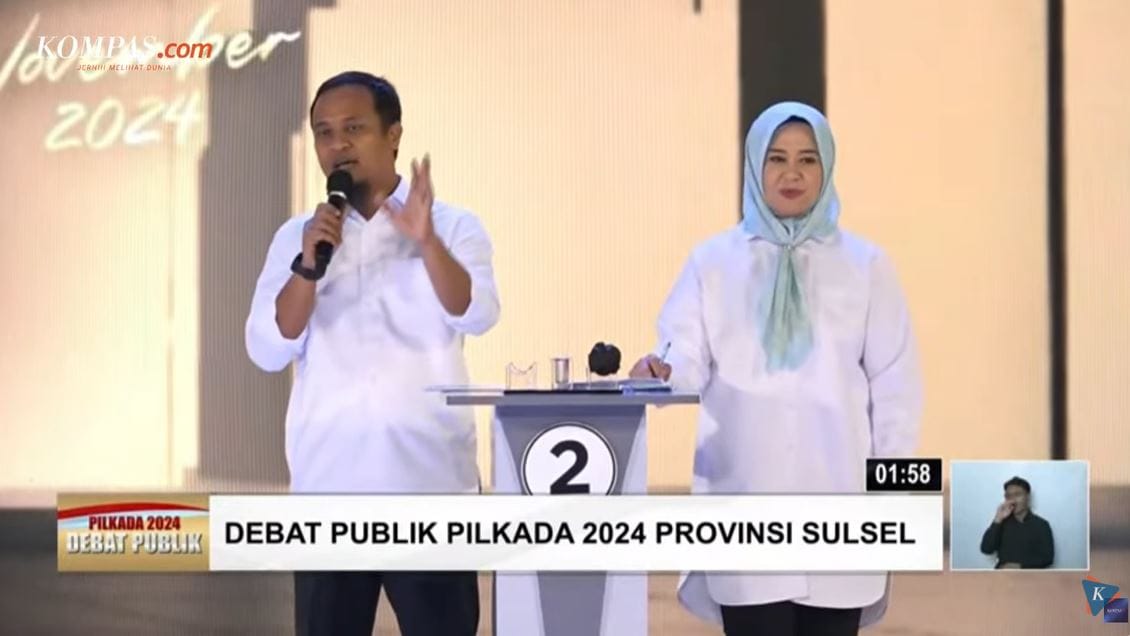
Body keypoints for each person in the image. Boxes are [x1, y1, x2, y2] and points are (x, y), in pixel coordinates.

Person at [629, 102, 923, 636]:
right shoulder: (713, 261)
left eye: (808, 160)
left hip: (840, 511)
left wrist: (894, 502)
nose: (792, 173)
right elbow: (684, 354)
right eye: (777, 158)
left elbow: (896, 389)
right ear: (754, 166)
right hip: (746, 508)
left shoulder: (866, 265)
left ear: (827, 168)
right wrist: (662, 370)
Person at [245, 71, 500, 636]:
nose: (337, 144)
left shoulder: (452, 226)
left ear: (393, 135)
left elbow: (477, 312)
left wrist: (426, 242)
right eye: (324, 132)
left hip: (431, 493)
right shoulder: (298, 238)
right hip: (328, 495)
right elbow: (267, 347)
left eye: (354, 128)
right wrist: (308, 265)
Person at [979, 476, 1055, 569]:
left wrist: (1019, 566)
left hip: (1029, 577)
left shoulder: (1041, 525)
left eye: (1017, 495)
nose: (1013, 500)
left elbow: (1047, 558)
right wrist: (998, 519)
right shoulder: (1001, 522)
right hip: (1002, 576)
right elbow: (986, 549)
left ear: (1027, 497)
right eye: (1008, 496)